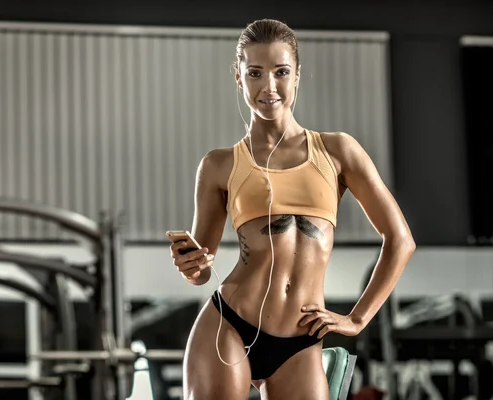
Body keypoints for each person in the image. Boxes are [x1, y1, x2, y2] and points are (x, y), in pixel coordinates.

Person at [169, 18, 415, 400]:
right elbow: (201, 268)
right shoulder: (219, 165)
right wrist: (192, 267)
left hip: (299, 342)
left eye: (281, 72)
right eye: (255, 73)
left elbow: (400, 240)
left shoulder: (338, 152)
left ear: (297, 75)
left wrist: (357, 319)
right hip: (228, 327)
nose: (269, 87)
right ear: (239, 78)